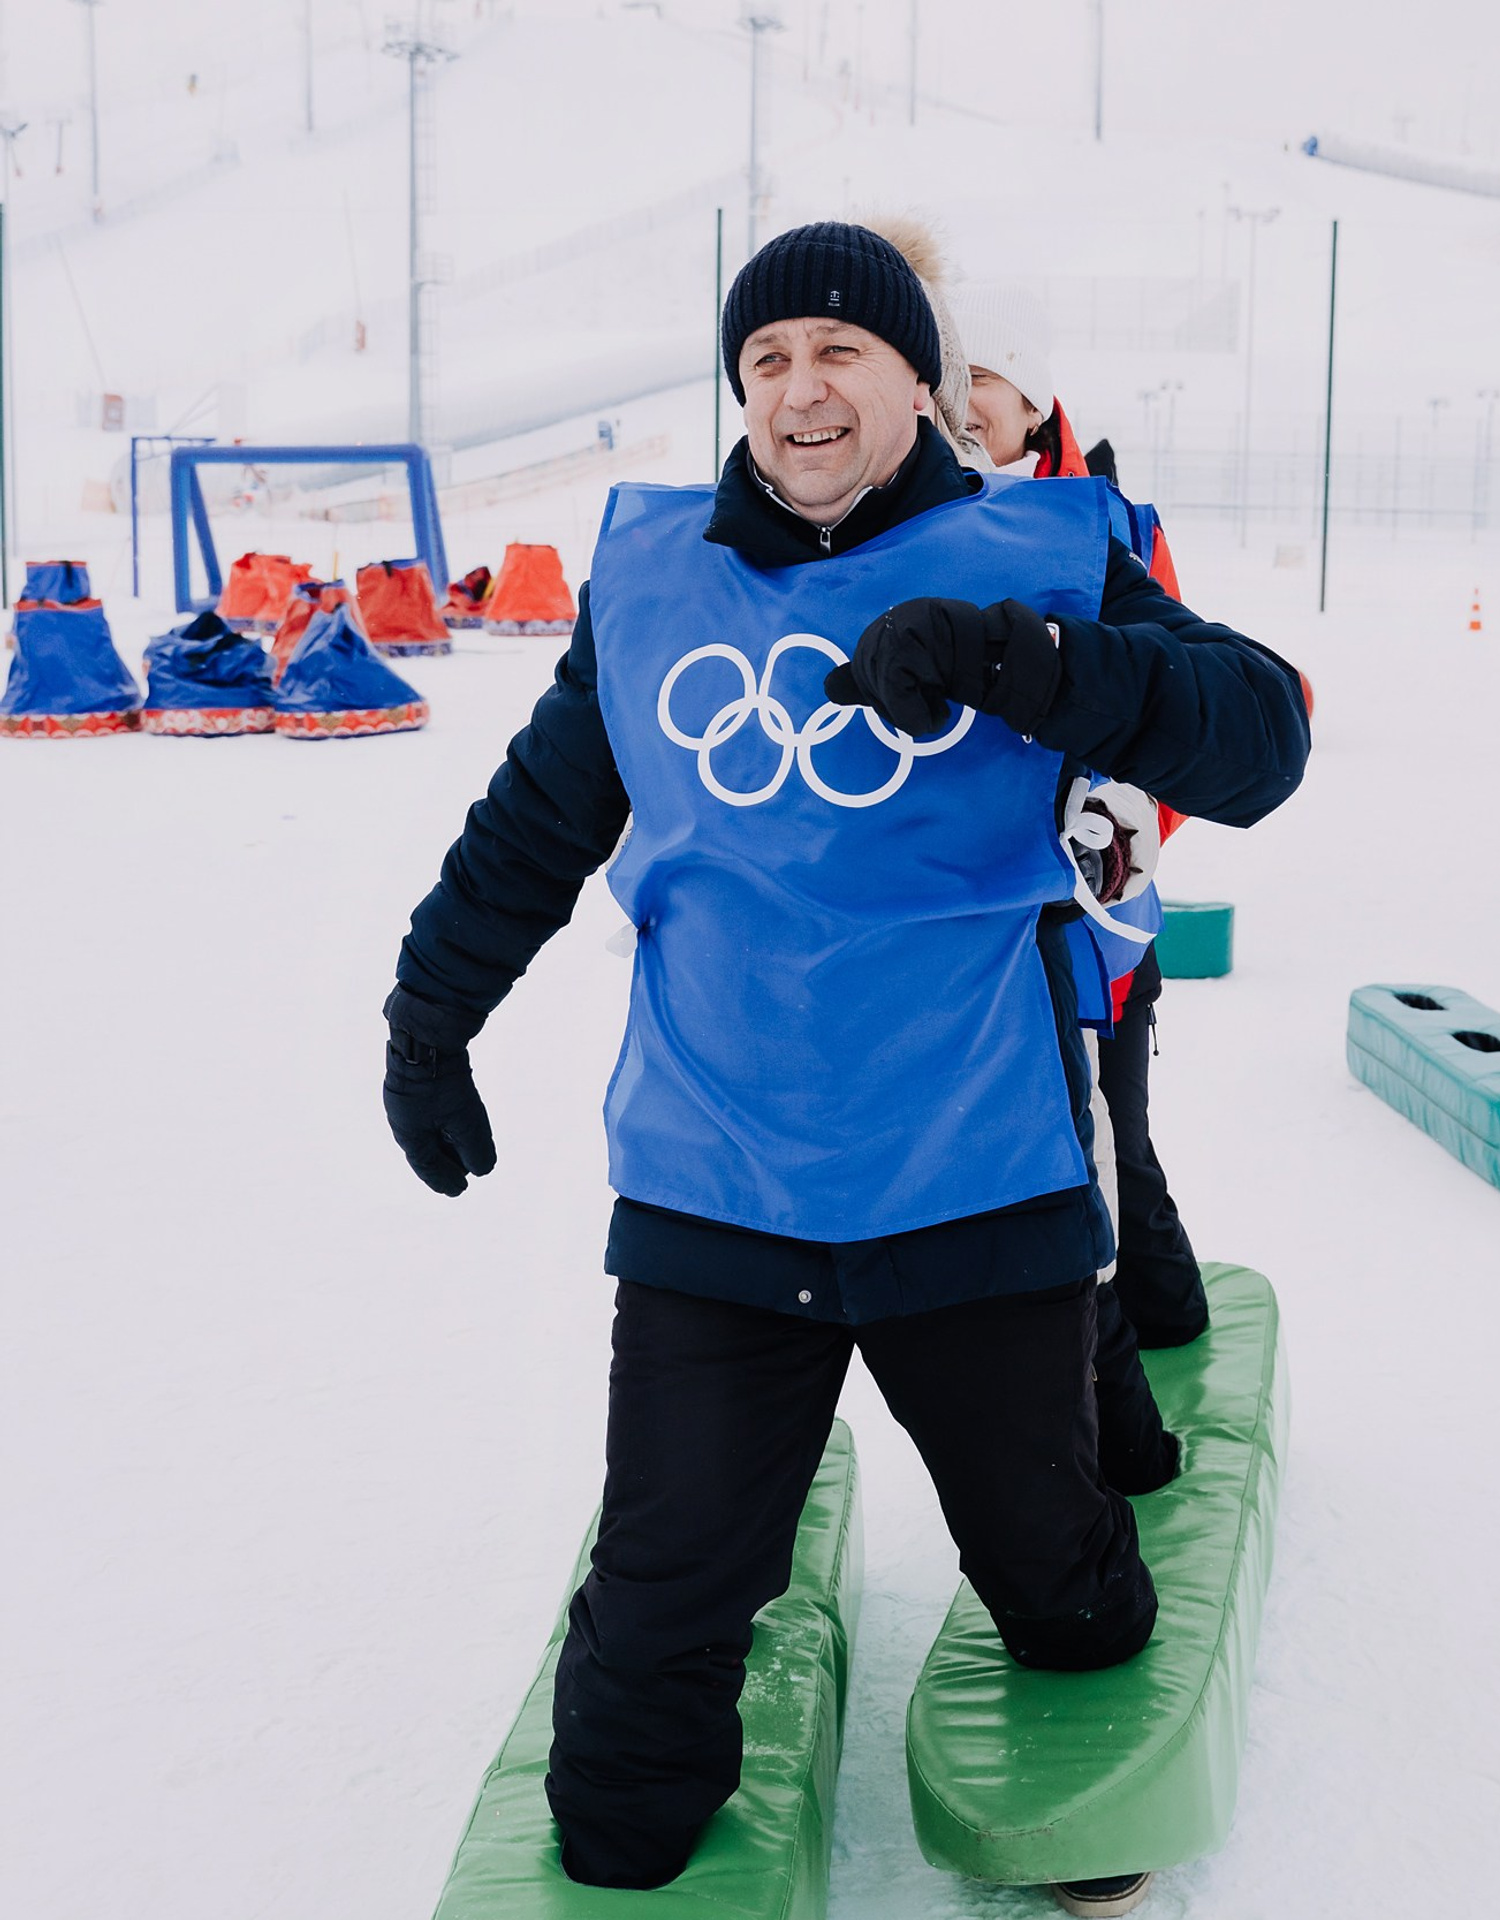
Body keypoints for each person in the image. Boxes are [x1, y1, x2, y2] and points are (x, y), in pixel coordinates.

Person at [381, 222, 1311, 1913]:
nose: (801, 393)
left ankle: (1069, 1552)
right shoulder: (658, 586)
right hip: (718, 1195)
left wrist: (1018, 666)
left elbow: (1262, 734)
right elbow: (533, 826)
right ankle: (674, 1672)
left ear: (915, 378)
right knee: (630, 1762)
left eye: (840, 353)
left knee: (1069, 1599)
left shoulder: (1036, 550)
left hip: (972, 1182)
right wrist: (426, 1019)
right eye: (765, 364)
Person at [953, 281, 1211, 1356]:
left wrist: (1120, 829)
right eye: (944, 385)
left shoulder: (1109, 529)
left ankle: (1156, 1325)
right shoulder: (919, 512)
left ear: (1031, 402)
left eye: (983, 387)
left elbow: (1187, 710)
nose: (961, 410)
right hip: (975, 920)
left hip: (1091, 917)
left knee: (1112, 1143)